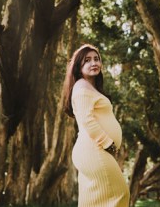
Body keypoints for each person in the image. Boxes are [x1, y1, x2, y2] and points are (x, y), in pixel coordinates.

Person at [62, 44, 130, 207]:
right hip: (94, 150)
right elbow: (87, 121)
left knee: (93, 202)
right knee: (120, 194)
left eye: (96, 59)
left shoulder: (89, 87)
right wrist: (109, 144)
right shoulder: (81, 87)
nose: (94, 63)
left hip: (93, 151)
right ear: (78, 66)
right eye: (87, 60)